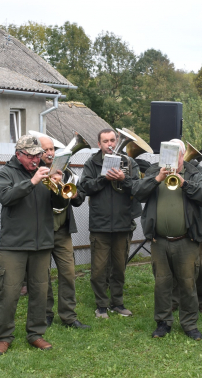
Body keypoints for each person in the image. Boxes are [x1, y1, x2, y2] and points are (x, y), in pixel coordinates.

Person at [0, 135, 69, 355]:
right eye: (31, 156)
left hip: (42, 243)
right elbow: (6, 198)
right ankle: (4, 336)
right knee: (8, 292)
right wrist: (33, 181)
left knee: (40, 292)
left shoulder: (46, 171)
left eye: (38, 155)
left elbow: (60, 204)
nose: (36, 159)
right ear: (19, 154)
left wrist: (58, 187)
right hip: (14, 245)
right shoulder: (5, 173)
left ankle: (35, 333)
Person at [133, 139, 202, 340]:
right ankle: (163, 322)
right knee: (162, 283)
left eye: (175, 154)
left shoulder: (193, 172)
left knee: (188, 283)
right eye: (166, 155)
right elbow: (136, 192)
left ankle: (189, 324)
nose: (170, 159)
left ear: (183, 155)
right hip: (159, 240)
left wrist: (184, 183)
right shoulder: (154, 171)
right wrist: (158, 178)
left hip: (186, 240)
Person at [81, 129, 140, 318]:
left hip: (123, 223)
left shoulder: (129, 162)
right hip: (100, 224)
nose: (110, 144)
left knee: (119, 267)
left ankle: (118, 303)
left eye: (112, 140)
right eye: (105, 141)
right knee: (98, 269)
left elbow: (140, 188)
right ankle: (101, 305)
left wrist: (125, 179)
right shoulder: (92, 162)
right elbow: (85, 187)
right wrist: (103, 178)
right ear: (99, 144)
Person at [37, 136, 90, 329]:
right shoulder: (35, 173)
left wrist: (75, 193)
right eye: (45, 150)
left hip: (62, 231)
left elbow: (78, 199)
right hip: (41, 232)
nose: (50, 153)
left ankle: (69, 316)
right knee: (42, 277)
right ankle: (45, 314)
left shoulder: (66, 172)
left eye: (51, 149)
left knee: (68, 274)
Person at [171, 158, 202, 315]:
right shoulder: (162, 170)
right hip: (175, 228)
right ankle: (174, 300)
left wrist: (185, 184)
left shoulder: (196, 171)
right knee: (174, 267)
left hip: (195, 227)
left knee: (200, 267)